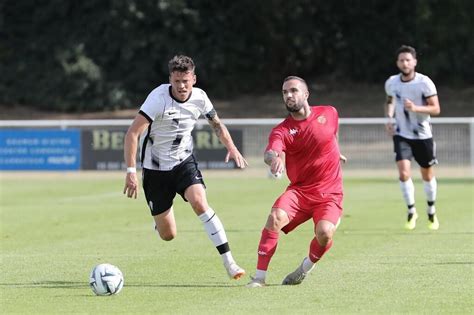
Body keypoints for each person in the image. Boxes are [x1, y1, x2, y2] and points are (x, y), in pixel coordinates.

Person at [123, 55, 248, 279]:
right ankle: (159, 221)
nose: (181, 86)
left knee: (200, 203)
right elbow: (133, 133)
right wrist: (131, 171)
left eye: (186, 81)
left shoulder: (200, 98)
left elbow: (216, 124)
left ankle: (230, 263)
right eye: (177, 80)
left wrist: (232, 147)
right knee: (168, 235)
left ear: (194, 80)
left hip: (183, 162)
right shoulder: (157, 98)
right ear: (170, 79)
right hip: (155, 170)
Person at [247, 76, 346, 288]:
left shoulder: (330, 112)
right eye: (285, 92)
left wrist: (337, 152)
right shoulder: (282, 130)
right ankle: (259, 278)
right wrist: (273, 159)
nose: (289, 95)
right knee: (274, 218)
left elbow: (332, 135)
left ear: (306, 94)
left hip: (330, 193)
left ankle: (305, 268)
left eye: (293, 90)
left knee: (325, 233)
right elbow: (271, 151)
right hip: (300, 192)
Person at [384, 45, 441, 231]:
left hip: (423, 135)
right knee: (404, 173)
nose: (405, 63)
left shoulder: (424, 83)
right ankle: (411, 211)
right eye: (401, 60)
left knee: (427, 174)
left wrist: (416, 108)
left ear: (415, 62)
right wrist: (390, 118)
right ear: (397, 63)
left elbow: (436, 109)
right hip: (402, 134)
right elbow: (390, 101)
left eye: (408, 60)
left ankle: (431, 210)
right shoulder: (392, 82)